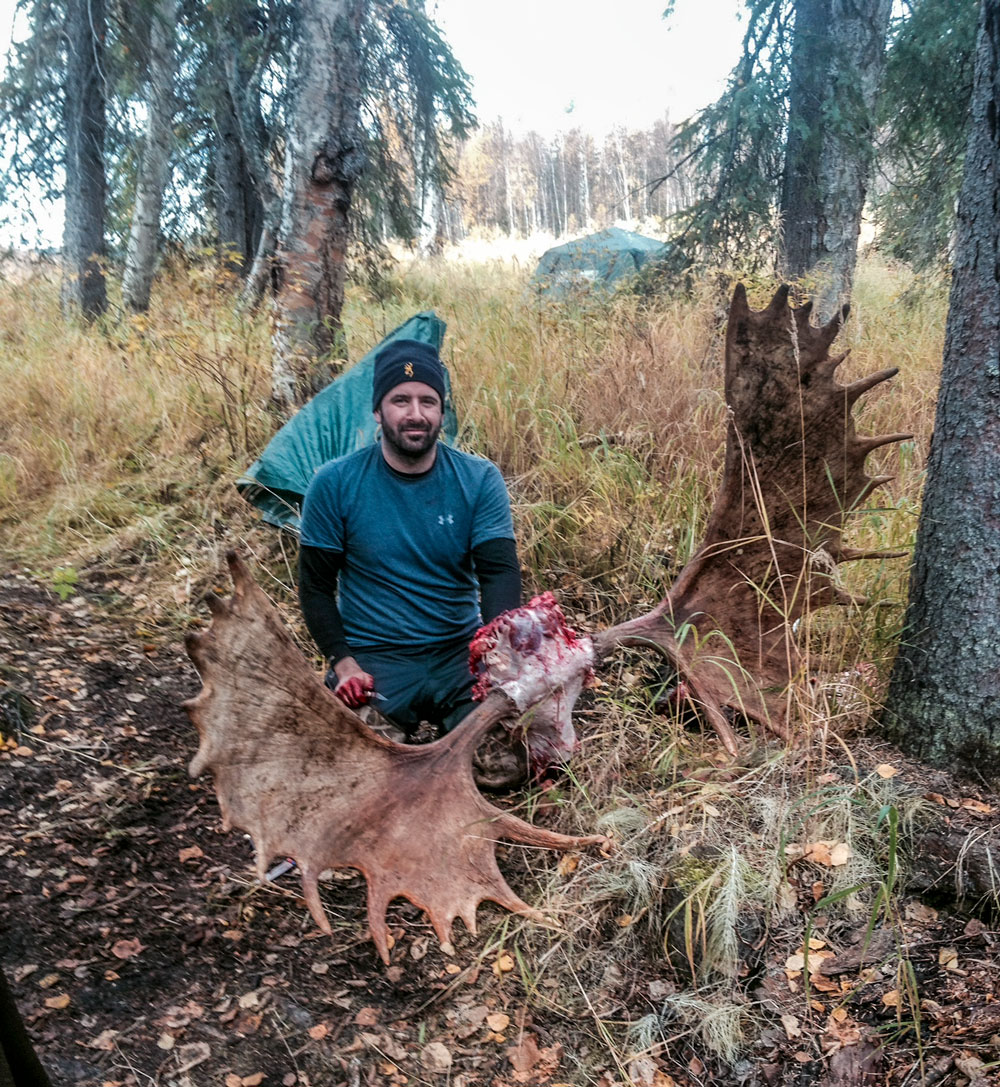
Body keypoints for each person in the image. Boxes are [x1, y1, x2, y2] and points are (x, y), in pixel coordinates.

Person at [298, 338, 522, 737]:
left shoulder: (479, 479)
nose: (415, 414)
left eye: (428, 401)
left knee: (506, 759)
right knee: (353, 762)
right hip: (375, 660)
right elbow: (315, 587)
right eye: (400, 400)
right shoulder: (333, 483)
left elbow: (498, 574)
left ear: (442, 411)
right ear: (378, 410)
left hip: (461, 654)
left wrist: (498, 654)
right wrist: (344, 664)